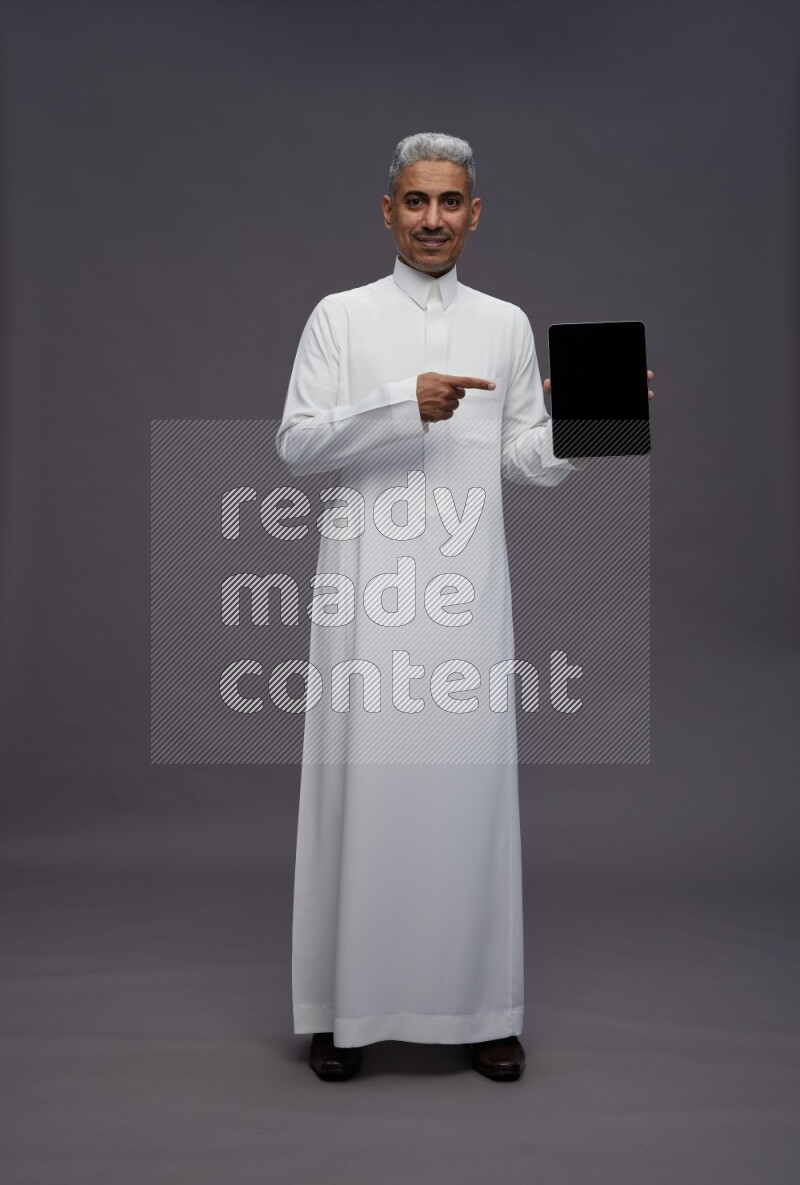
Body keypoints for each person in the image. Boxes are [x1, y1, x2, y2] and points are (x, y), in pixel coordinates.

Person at [275, 132, 655, 1082]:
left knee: (469, 798)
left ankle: (482, 1007)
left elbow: (526, 458)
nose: (433, 219)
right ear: (388, 211)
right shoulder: (340, 318)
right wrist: (408, 405)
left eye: (450, 203)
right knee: (360, 793)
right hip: (366, 591)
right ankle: (343, 1009)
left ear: (474, 214)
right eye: (416, 202)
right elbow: (297, 445)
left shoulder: (506, 324)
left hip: (466, 596)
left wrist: (583, 423)